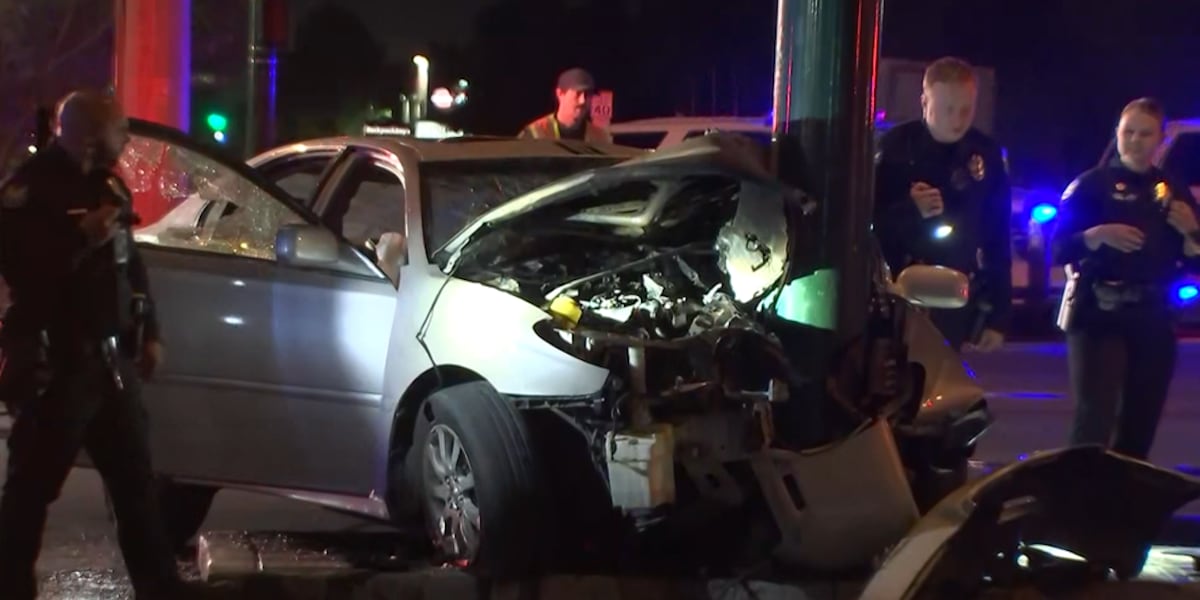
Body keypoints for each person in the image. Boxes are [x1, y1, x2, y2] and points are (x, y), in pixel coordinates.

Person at [0, 90, 184, 599]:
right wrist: (78, 239)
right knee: (30, 494)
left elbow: (131, 266)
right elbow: (23, 274)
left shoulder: (109, 185)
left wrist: (149, 333)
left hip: (111, 367)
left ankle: (161, 589)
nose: (125, 137)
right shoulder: (30, 190)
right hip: (57, 366)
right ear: (85, 135)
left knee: (138, 493)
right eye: (117, 128)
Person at [1052, 97, 1200, 461]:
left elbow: (1194, 261)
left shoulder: (1172, 191)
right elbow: (1057, 248)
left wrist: (1192, 232)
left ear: (1161, 140)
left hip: (1152, 315)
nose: (1134, 141)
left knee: (1141, 420)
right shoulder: (1092, 185)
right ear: (1116, 134)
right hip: (1098, 313)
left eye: (1144, 134)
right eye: (1127, 132)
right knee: (1094, 420)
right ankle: (1077, 503)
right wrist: (1096, 235)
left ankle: (1122, 507)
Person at [873, 56, 1012, 352]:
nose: (958, 119)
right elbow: (868, 224)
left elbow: (997, 237)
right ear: (925, 102)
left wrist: (997, 316)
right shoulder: (895, 149)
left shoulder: (984, 154)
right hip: (899, 291)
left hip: (955, 292)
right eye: (948, 109)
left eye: (966, 110)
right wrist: (911, 211)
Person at [518, 67, 613, 143]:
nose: (582, 101)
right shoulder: (535, 133)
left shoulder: (601, 138)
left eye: (588, 94)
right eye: (578, 94)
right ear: (560, 94)